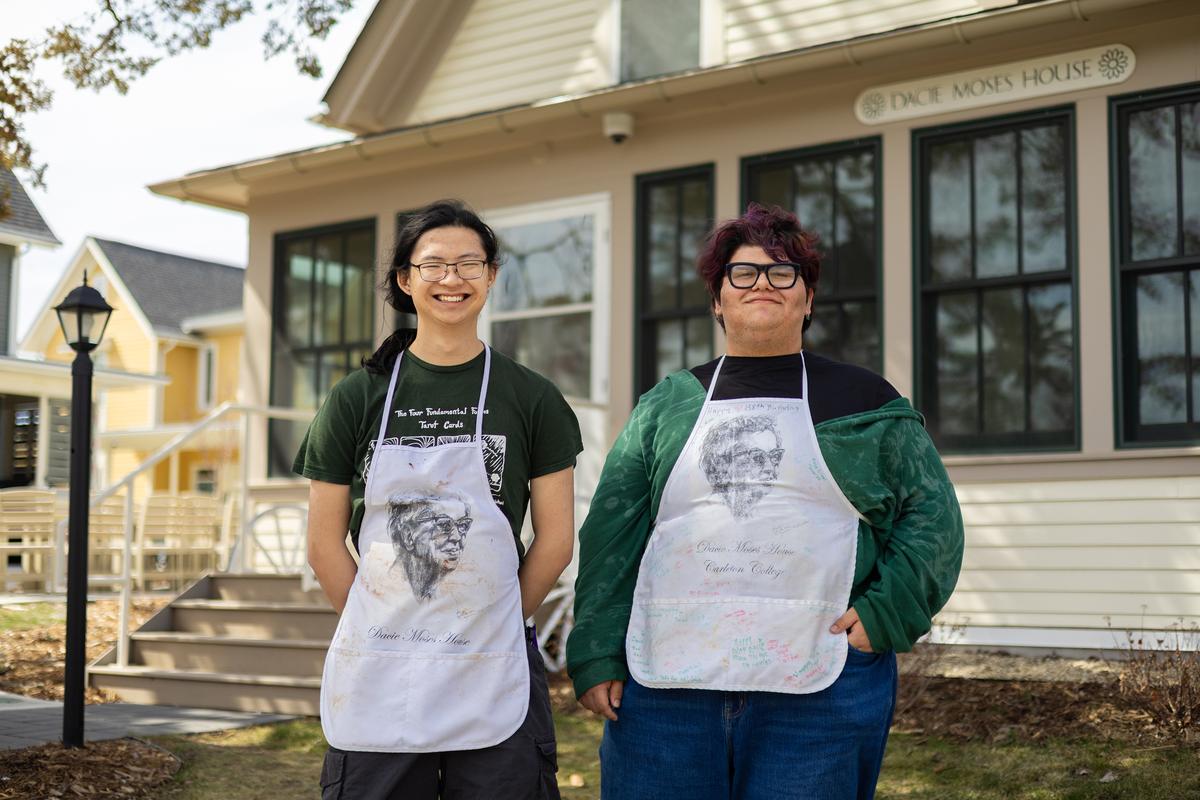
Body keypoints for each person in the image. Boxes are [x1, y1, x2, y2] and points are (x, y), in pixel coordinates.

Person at [567, 203, 964, 800]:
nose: (762, 285)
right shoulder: (665, 406)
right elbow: (612, 534)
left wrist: (884, 616)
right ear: (717, 300)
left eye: (783, 274)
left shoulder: (865, 400)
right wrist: (595, 650)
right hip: (668, 687)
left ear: (807, 300)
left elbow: (932, 519)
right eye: (743, 274)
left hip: (820, 685)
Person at [296, 199, 582, 800]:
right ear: (406, 280)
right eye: (434, 266)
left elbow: (556, 541)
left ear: (491, 276)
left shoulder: (532, 396)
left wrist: (495, 619)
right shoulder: (355, 397)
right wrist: (384, 627)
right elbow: (324, 543)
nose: (452, 279)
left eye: (468, 264)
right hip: (380, 660)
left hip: (494, 657)